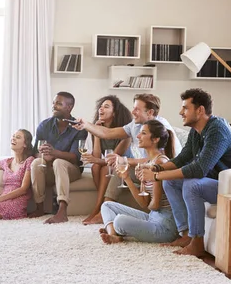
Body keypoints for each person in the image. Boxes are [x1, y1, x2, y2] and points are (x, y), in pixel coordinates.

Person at [138, 88, 231, 257]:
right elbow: (181, 159)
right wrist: (156, 168)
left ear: (200, 110)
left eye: (185, 108)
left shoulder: (217, 129)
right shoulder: (196, 132)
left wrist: (156, 176)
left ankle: (197, 242)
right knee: (170, 182)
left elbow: (199, 169)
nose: (180, 112)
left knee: (192, 185)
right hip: (220, 183)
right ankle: (185, 235)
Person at [74, 93, 181, 224]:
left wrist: (125, 161)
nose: (132, 112)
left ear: (150, 112)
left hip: (162, 172)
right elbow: (108, 133)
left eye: (137, 109)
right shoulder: (136, 125)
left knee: (120, 168)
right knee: (118, 171)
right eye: (133, 107)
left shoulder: (159, 129)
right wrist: (86, 125)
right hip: (146, 168)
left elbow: (159, 162)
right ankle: (104, 209)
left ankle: (102, 212)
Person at [99, 120, 177, 244]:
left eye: (143, 133)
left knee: (120, 221)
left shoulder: (160, 163)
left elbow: (155, 205)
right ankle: (114, 235)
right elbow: (143, 203)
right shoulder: (146, 164)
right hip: (153, 217)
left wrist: (148, 203)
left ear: (155, 139)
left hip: (165, 227)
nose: (138, 136)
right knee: (107, 205)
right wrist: (127, 178)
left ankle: (114, 230)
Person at [29, 92, 88, 224]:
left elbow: (75, 158)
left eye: (59, 104)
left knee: (59, 163)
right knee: (37, 162)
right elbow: (34, 152)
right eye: (54, 103)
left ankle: (62, 210)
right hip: (49, 168)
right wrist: (44, 156)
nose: (54, 106)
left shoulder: (79, 128)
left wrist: (54, 153)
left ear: (69, 107)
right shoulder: (45, 125)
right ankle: (39, 207)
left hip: (71, 170)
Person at [80, 95, 132, 225]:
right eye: (100, 106)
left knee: (104, 168)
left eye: (106, 106)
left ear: (114, 113)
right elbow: (97, 157)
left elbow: (114, 157)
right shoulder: (98, 129)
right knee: (96, 167)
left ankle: (98, 209)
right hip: (110, 163)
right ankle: (102, 207)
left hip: (125, 163)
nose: (101, 109)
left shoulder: (124, 132)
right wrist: (96, 134)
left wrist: (95, 160)